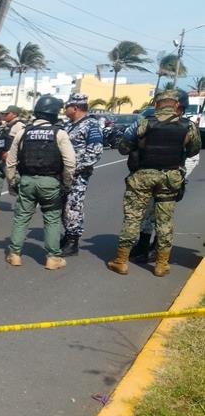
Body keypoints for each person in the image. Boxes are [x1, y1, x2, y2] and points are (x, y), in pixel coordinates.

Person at [107, 89, 201, 276]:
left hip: (142, 176)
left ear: (157, 104)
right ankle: (161, 265)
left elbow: (123, 148)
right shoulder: (189, 126)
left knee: (133, 217)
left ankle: (121, 261)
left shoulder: (142, 123)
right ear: (177, 106)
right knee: (164, 221)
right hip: (170, 178)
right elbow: (193, 151)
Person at [5, 95, 76, 270]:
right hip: (51, 182)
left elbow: (10, 162)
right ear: (53, 114)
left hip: (27, 181)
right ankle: (53, 258)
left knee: (21, 217)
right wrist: (66, 183)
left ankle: (14, 254)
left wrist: (12, 182)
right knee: (51, 219)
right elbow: (70, 163)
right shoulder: (59, 133)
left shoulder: (22, 132)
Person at [60, 93, 104, 256]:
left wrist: (73, 169)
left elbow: (95, 153)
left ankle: (73, 241)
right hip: (64, 174)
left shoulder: (91, 125)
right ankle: (67, 234)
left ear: (76, 108)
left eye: (67, 107)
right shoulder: (69, 125)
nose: (65, 110)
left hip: (78, 175)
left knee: (73, 206)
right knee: (63, 206)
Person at [0, 105, 26, 214]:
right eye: (3, 114)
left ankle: (25, 205)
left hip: (12, 161)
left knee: (16, 184)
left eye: (6, 114)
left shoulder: (20, 126)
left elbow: (22, 143)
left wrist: (10, 154)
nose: (4, 115)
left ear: (14, 114)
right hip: (0, 160)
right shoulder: (5, 125)